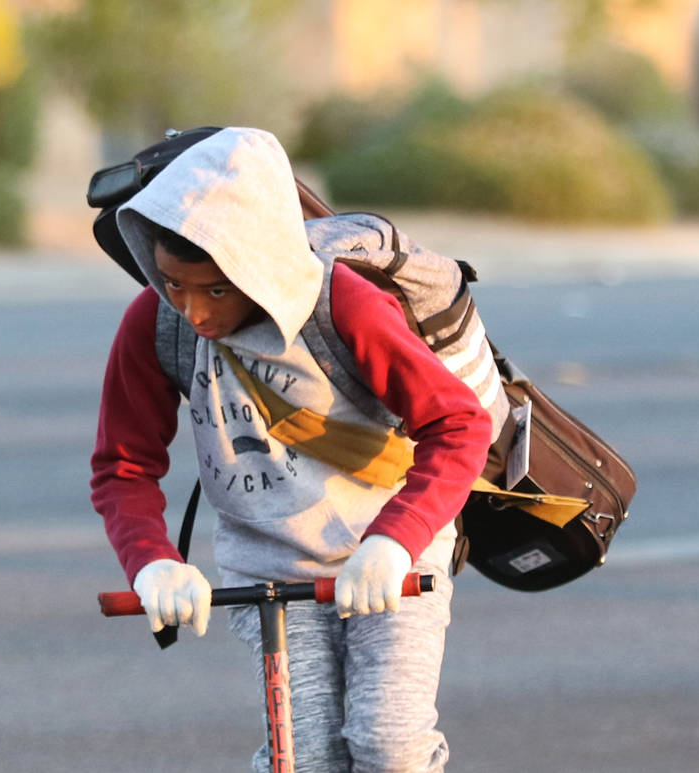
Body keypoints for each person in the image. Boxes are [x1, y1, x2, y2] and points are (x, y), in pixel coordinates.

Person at [90, 127, 493, 772]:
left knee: (390, 746)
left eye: (215, 289)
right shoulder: (155, 319)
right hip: (270, 562)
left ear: (258, 263)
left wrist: (394, 542)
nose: (192, 311)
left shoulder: (345, 308)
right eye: (173, 283)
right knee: (304, 761)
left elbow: (461, 425)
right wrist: (152, 563)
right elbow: (123, 465)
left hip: (391, 554)